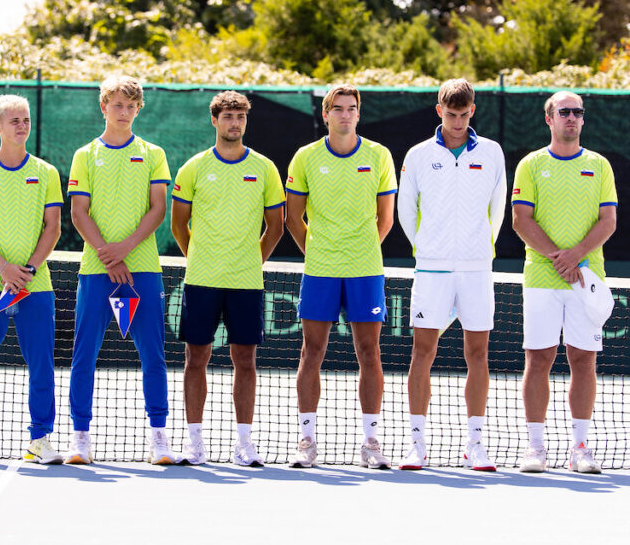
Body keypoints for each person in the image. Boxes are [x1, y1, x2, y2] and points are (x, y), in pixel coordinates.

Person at [284, 85, 397, 469]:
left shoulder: (379, 155)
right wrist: (317, 252)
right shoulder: (306, 158)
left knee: (370, 353)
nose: (345, 115)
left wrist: (361, 250)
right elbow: (292, 218)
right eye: (338, 109)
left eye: (352, 109)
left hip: (366, 270)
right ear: (326, 114)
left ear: (358, 114)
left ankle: (371, 442)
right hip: (321, 272)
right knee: (311, 352)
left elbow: (386, 219)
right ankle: (307, 440)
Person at [396, 79, 507, 471]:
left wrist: (480, 251)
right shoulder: (419, 155)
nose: (457, 122)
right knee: (422, 353)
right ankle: (417, 445)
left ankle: (475, 444)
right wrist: (428, 248)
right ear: (438, 109)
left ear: (472, 111)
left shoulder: (492, 152)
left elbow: (498, 209)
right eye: (451, 113)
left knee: (478, 354)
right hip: (431, 269)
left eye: (464, 114)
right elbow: (406, 211)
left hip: (477, 270)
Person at [65, 75, 176, 465]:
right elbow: (78, 212)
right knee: (84, 355)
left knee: (153, 355)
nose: (124, 112)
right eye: (117, 104)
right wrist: (107, 255)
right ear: (103, 107)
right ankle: (80, 438)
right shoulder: (85, 155)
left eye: (131, 106)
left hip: (142, 269)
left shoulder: (153, 153)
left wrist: (125, 250)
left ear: (138, 109)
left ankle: (159, 439)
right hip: (96, 271)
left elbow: (159, 208)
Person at [170, 91, 284, 466]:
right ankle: (194, 442)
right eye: (228, 116)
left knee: (246, 361)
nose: (235, 123)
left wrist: (252, 261)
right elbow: (178, 223)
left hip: (246, 282)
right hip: (201, 279)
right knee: (195, 359)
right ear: (215, 121)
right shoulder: (194, 168)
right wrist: (200, 259)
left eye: (240, 117)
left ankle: (244, 443)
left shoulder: (265, 168)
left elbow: (276, 226)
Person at [512, 91, 617, 474]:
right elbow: (521, 220)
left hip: (586, 281)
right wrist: (561, 257)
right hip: (542, 279)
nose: (571, 117)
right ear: (549, 119)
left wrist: (576, 257)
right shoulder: (531, 165)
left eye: (577, 112)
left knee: (583, 360)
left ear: (582, 120)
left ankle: (580, 449)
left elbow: (608, 222)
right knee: (538, 359)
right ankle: (536, 449)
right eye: (564, 112)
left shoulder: (600, 166)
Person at [0, 95, 63, 465]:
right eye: (14, 120)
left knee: (41, 364)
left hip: (37, 286)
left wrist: (29, 270)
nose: (22, 126)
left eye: (26, 120)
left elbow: (53, 229)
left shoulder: (47, 173)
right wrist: (4, 268)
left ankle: (40, 440)